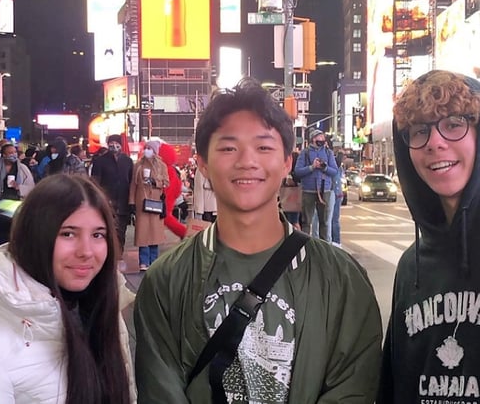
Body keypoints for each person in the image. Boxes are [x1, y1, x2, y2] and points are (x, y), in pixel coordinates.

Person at [134, 78, 382, 403]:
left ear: (287, 163)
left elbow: (354, 388)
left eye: (264, 147)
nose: (247, 161)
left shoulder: (342, 278)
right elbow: (160, 391)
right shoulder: (166, 280)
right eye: (228, 147)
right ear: (204, 164)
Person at [377, 70, 480, 403]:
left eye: (453, 124)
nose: (435, 142)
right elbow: (395, 383)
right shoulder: (413, 264)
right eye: (420, 130)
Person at [0, 174, 136, 403]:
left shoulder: (105, 311)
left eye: (98, 235)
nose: (86, 251)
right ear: (35, 237)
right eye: (68, 234)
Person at [91, 134, 134, 259]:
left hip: (123, 202)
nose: (114, 145)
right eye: (111, 143)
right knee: (107, 230)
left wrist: (132, 203)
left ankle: (118, 255)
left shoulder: (127, 161)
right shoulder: (100, 161)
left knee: (121, 231)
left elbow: (131, 182)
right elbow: (95, 182)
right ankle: (107, 256)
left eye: (117, 143)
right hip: (106, 203)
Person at [129, 141, 169, 271]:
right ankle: (143, 261)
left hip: (156, 202)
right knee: (142, 232)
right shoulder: (138, 166)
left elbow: (166, 182)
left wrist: (154, 181)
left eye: (150, 148)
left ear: (155, 151)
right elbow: (133, 185)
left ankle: (154, 260)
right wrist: (132, 202)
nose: (147, 150)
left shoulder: (161, 166)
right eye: (145, 148)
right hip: (142, 202)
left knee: (154, 233)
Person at [293, 128, 338, 241]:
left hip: (325, 191)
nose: (322, 140)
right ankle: (304, 248)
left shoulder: (328, 153)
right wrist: (312, 167)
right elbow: (298, 171)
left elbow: (334, 171)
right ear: (313, 139)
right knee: (306, 222)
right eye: (319, 138)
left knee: (325, 222)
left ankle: (324, 250)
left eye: (323, 138)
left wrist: (325, 167)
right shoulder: (305, 153)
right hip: (308, 191)